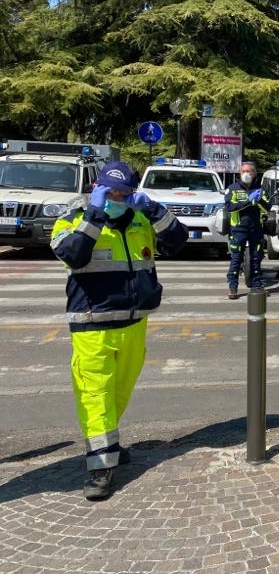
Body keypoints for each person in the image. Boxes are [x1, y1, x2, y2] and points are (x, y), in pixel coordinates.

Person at [50, 161, 188, 500]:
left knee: (118, 394)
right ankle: (100, 467)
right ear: (97, 189)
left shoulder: (139, 218)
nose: (118, 199)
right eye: (111, 193)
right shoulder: (74, 217)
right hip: (92, 325)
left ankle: (107, 444)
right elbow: (72, 255)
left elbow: (177, 241)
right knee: (96, 396)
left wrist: (155, 210)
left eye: (124, 194)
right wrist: (95, 216)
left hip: (134, 323)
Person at [225, 161, 272, 298]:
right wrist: (248, 202)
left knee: (256, 258)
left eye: (248, 171)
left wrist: (259, 201)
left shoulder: (260, 189)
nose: (246, 174)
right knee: (236, 258)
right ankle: (233, 287)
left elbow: (267, 208)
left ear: (254, 173)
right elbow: (229, 207)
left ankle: (256, 285)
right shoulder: (233, 188)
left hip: (256, 228)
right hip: (238, 228)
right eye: (243, 171)